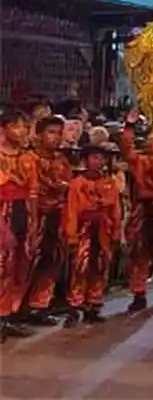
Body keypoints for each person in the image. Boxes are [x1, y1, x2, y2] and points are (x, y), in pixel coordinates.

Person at [62, 144, 122, 328]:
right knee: (81, 267)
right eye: (94, 158)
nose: (99, 162)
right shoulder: (76, 184)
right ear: (85, 160)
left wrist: (117, 231)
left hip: (104, 228)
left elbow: (115, 209)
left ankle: (93, 304)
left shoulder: (110, 183)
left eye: (102, 158)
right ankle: (75, 305)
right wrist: (71, 235)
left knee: (100, 266)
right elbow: (71, 211)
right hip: (84, 229)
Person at [120, 111, 153, 312]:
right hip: (142, 211)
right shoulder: (138, 160)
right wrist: (129, 126)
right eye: (151, 136)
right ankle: (139, 293)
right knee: (138, 254)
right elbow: (126, 147)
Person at [24, 116, 72, 325]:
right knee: (26, 263)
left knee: (52, 262)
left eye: (59, 133)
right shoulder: (29, 158)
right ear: (39, 134)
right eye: (51, 132)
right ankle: (17, 308)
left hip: (57, 216)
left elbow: (69, 187)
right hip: (33, 216)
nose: (56, 137)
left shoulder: (62, 160)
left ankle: (40, 306)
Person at [0, 111, 38, 340]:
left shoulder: (28, 158)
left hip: (22, 211)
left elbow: (33, 191)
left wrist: (33, 221)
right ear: (3, 129)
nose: (21, 131)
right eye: (16, 126)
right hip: (3, 211)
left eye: (24, 127)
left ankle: (9, 315)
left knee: (20, 265)